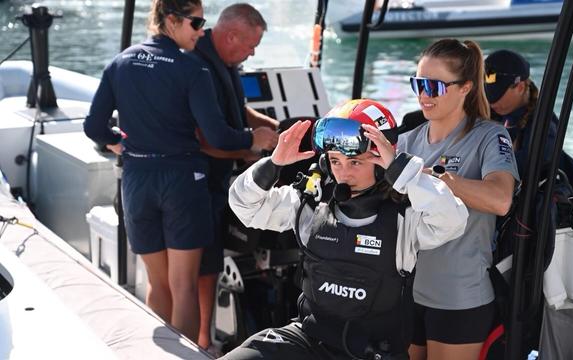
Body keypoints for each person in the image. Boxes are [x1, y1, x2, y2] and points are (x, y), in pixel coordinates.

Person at [83, 0, 275, 343]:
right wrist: (254, 138)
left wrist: (117, 143)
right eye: (197, 23)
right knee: (183, 285)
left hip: (137, 180)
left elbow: (95, 126)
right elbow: (217, 135)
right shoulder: (192, 69)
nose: (202, 32)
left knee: (158, 284)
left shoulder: (121, 62)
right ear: (171, 21)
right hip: (183, 183)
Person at [220, 99, 469, 359]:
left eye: (356, 163)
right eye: (336, 162)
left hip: (372, 352)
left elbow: (453, 220)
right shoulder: (311, 203)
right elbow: (245, 207)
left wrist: (402, 171)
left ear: (381, 162)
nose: (344, 173)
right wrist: (274, 164)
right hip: (308, 339)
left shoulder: (407, 214)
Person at [399, 39, 519, 360]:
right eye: (418, 84)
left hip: (459, 296)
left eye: (434, 86)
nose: (424, 95)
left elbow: (501, 199)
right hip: (407, 289)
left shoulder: (489, 136)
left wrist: (436, 180)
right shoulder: (406, 140)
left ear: (465, 87)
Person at [187, 3, 279, 352]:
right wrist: (252, 146)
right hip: (198, 178)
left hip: (221, 177)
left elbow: (237, 109)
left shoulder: (226, 62)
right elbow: (210, 136)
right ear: (230, 35)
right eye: (250, 45)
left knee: (209, 259)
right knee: (203, 263)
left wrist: (275, 128)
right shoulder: (198, 64)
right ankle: (202, 341)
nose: (253, 52)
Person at [484, 49, 573, 191]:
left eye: (497, 95)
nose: (491, 102)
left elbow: (529, 165)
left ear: (520, 87)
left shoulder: (544, 125)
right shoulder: (492, 114)